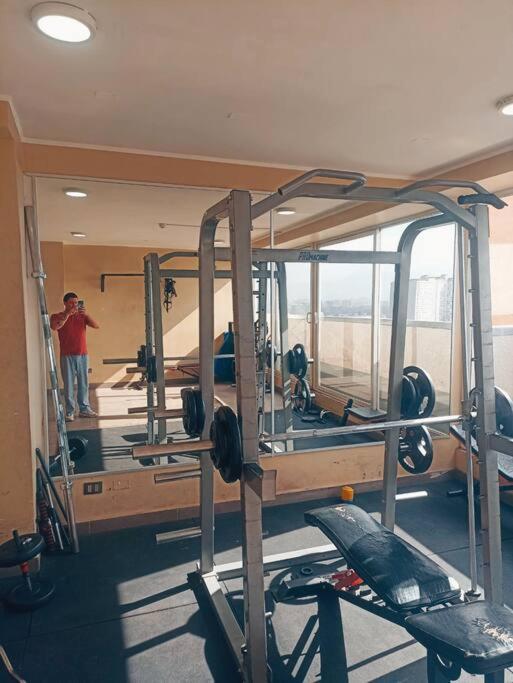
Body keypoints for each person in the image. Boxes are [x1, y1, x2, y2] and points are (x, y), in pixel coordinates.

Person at [50, 292, 100, 421]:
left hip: (83, 354)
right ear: (65, 303)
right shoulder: (57, 316)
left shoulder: (82, 316)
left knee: (84, 383)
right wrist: (67, 314)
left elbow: (96, 326)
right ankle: (70, 411)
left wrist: (86, 315)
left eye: (76, 303)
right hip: (67, 355)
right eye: (71, 303)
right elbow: (54, 327)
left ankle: (84, 409)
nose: (74, 305)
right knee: (69, 384)